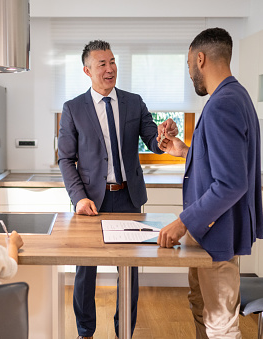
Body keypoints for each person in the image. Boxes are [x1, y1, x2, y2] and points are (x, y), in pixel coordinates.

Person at [58, 40, 178, 339]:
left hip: (128, 197)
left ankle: (124, 330)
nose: (110, 68)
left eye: (113, 62)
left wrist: (164, 136)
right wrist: (78, 197)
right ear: (87, 70)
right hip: (91, 202)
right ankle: (85, 331)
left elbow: (154, 141)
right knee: (85, 271)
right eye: (102, 64)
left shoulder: (133, 102)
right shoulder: (73, 108)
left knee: (130, 271)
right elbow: (65, 158)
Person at [157, 27, 263, 339]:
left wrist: (182, 222)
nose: (190, 72)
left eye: (189, 64)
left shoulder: (222, 104)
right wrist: (184, 152)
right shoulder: (235, 96)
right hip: (213, 232)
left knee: (221, 326)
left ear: (200, 59)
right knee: (201, 304)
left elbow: (231, 183)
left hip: (218, 234)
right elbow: (225, 164)